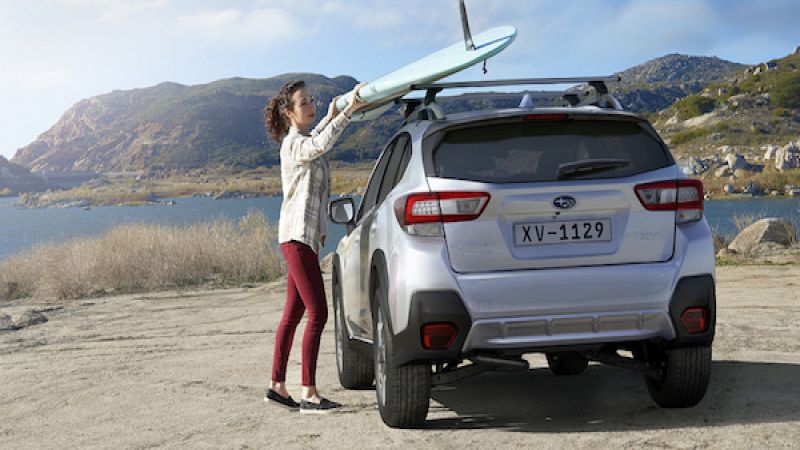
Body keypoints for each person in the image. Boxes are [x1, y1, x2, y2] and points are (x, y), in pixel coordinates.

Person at [263, 80, 368, 414]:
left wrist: (334, 110)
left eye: (312, 100)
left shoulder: (303, 138)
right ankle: (308, 392)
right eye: (303, 102)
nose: (310, 105)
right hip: (296, 238)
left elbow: (319, 134)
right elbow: (320, 144)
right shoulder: (293, 144)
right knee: (318, 312)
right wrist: (348, 112)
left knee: (293, 314)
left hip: (304, 239)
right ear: (290, 112)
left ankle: (277, 386)